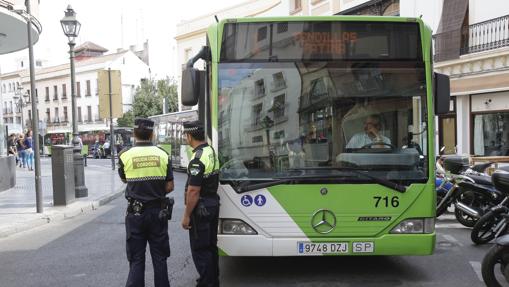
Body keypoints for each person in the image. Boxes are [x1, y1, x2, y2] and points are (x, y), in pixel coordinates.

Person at [118, 118, 175, 287]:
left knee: (136, 258)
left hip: (135, 214)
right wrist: (155, 190)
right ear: (152, 134)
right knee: (160, 258)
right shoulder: (163, 155)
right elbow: (170, 186)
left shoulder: (125, 156)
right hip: (158, 213)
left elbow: (125, 180)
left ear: (134, 134)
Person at [181, 121, 220, 287]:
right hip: (212, 203)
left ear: (189, 136)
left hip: (201, 208)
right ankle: (212, 280)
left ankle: (207, 283)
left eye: (186, 135)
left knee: (200, 249)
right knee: (210, 246)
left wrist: (187, 216)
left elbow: (193, 191)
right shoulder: (210, 150)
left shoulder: (197, 159)